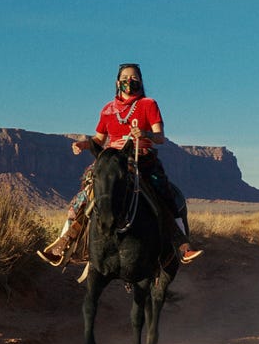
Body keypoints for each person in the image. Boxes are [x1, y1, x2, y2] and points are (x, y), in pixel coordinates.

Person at [36, 62, 202, 267]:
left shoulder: (149, 104)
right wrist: (84, 144)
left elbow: (160, 137)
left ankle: (182, 245)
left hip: (141, 158)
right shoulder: (107, 109)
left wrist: (146, 134)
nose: (129, 83)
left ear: (141, 81)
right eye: (125, 79)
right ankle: (65, 241)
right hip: (112, 160)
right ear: (117, 82)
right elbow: (99, 140)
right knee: (87, 193)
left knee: (165, 193)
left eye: (134, 79)